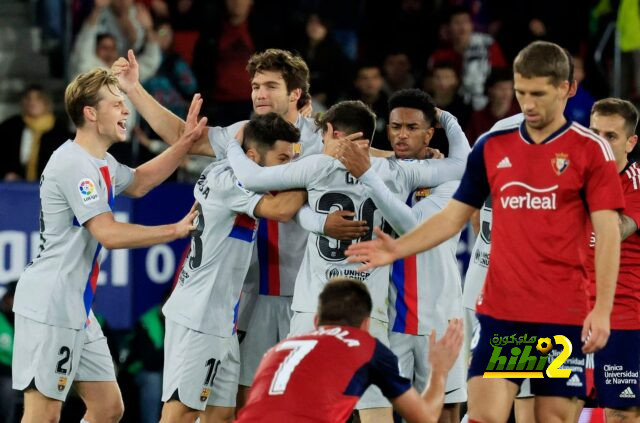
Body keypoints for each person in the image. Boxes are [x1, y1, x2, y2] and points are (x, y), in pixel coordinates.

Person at [346, 41, 624, 423]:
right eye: (522, 92)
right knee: (483, 417)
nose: (528, 104)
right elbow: (452, 218)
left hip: (562, 311)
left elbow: (608, 234)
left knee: (550, 418)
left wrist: (603, 308)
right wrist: (395, 250)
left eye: (538, 93)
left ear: (564, 89)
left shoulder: (591, 150)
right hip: (503, 311)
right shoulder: (494, 145)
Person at [112, 48, 367, 413]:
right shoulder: (243, 138)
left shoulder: (322, 136)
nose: (259, 94)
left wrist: (421, 158)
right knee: (240, 403)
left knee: (305, 402)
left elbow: (370, 154)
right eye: (255, 86)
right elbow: (186, 138)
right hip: (248, 294)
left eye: (270, 86)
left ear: (296, 93)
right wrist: (134, 89)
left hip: (305, 294)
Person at [224, 99, 468, 422]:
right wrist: (447, 120)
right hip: (369, 313)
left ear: (330, 132)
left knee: (302, 405)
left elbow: (252, 178)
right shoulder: (393, 171)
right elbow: (461, 164)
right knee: (376, 415)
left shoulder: (315, 166)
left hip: (313, 310)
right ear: (370, 138)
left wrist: (231, 146)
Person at [11, 68, 205, 423]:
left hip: (76, 308)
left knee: (107, 407)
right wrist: (174, 230)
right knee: (43, 415)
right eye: (117, 104)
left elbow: (141, 181)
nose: (125, 112)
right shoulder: (73, 164)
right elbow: (109, 234)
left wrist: (184, 143)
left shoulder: (100, 162)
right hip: (50, 306)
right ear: (90, 112)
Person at [159, 112, 307, 422]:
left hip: (221, 318)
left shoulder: (229, 174)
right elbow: (281, 211)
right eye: (283, 159)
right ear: (252, 156)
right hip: (198, 316)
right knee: (181, 413)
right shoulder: (229, 182)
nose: (289, 169)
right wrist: (317, 170)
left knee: (222, 414)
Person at [335, 89, 469, 423]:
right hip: (390, 319)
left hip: (439, 318)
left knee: (444, 415)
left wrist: (448, 117)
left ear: (430, 132)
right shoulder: (383, 171)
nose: (401, 134)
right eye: (395, 126)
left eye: (412, 127)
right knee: (383, 415)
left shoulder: (450, 179)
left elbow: (412, 228)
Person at [236, 278, 464, 423]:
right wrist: (440, 371)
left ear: (316, 321)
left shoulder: (278, 350)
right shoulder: (365, 345)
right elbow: (424, 416)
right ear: (366, 325)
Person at [580, 98, 640, 422]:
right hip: (569, 313)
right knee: (552, 410)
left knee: (621, 413)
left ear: (631, 142)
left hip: (622, 319)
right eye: (594, 133)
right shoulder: (572, 174)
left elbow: (613, 232)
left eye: (611, 136)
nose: (599, 144)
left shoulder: (637, 183)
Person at [428, 5, 507, 110]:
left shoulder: (488, 45)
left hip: (485, 103)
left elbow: (501, 76)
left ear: (471, 25)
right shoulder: (440, 55)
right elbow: (431, 84)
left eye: (465, 22)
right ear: (448, 28)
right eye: (457, 23)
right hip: (452, 106)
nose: (462, 27)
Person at [0, 85, 71, 181]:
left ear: (47, 102)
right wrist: (6, 173)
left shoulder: (60, 131)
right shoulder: (9, 127)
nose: (32, 102)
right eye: (28, 98)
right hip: (15, 188)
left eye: (38, 98)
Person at [465, 68, 519, 144]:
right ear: (490, 90)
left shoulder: (520, 116)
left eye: (509, 88)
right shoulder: (478, 118)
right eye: (501, 88)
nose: (506, 93)